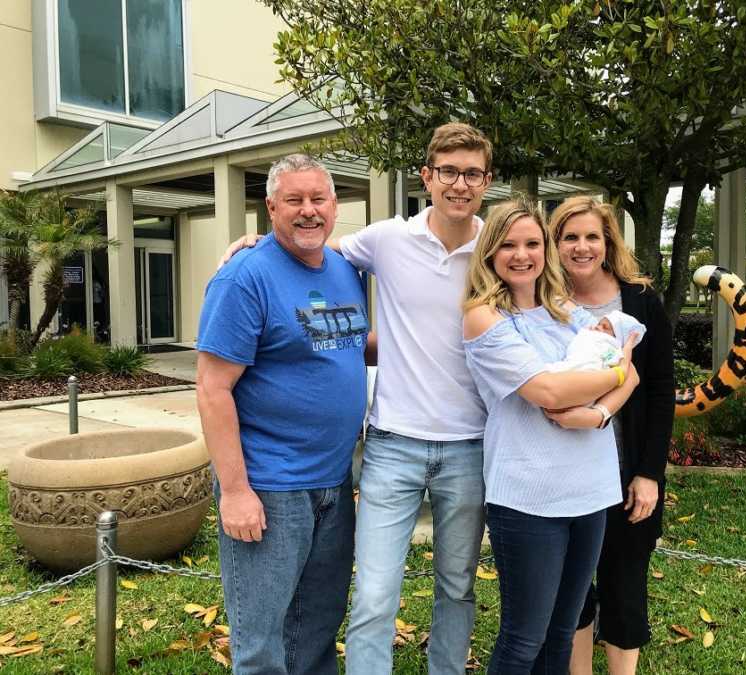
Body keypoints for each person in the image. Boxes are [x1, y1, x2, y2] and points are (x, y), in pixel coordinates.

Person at [218, 123, 496, 675]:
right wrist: (252, 242)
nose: (458, 184)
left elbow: (555, 282)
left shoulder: (497, 246)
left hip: (466, 445)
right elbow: (306, 244)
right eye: (447, 171)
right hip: (388, 447)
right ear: (427, 177)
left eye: (471, 173)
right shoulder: (385, 240)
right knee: (371, 596)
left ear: (486, 181)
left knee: (456, 588)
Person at [196, 154, 368, 674]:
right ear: (271, 208)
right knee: (262, 642)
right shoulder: (244, 278)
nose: (308, 211)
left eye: (318, 199)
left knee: (316, 628)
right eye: (294, 200)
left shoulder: (344, 268)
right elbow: (212, 389)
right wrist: (236, 492)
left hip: (334, 482)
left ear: (335, 206)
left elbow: (346, 344)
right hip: (270, 487)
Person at [461, 199, 640, 673]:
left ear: (546, 250)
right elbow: (549, 390)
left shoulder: (567, 311)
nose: (522, 255)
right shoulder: (484, 317)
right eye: (509, 244)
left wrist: (598, 413)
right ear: (490, 253)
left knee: (562, 634)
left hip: (590, 492)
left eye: (533, 244)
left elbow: (634, 375)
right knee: (524, 640)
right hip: (527, 499)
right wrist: (615, 374)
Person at [549, 197, 674, 675]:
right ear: (556, 244)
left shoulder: (640, 300)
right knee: (574, 591)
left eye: (592, 237)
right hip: (564, 471)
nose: (581, 247)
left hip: (625, 472)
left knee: (624, 588)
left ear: (608, 243)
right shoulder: (543, 301)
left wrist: (649, 473)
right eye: (570, 237)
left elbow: (661, 391)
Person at [546, 309, 646, 373]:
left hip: (588, 368)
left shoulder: (611, 345)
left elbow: (614, 360)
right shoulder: (591, 331)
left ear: (617, 336)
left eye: (605, 327)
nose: (598, 327)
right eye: (599, 324)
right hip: (574, 361)